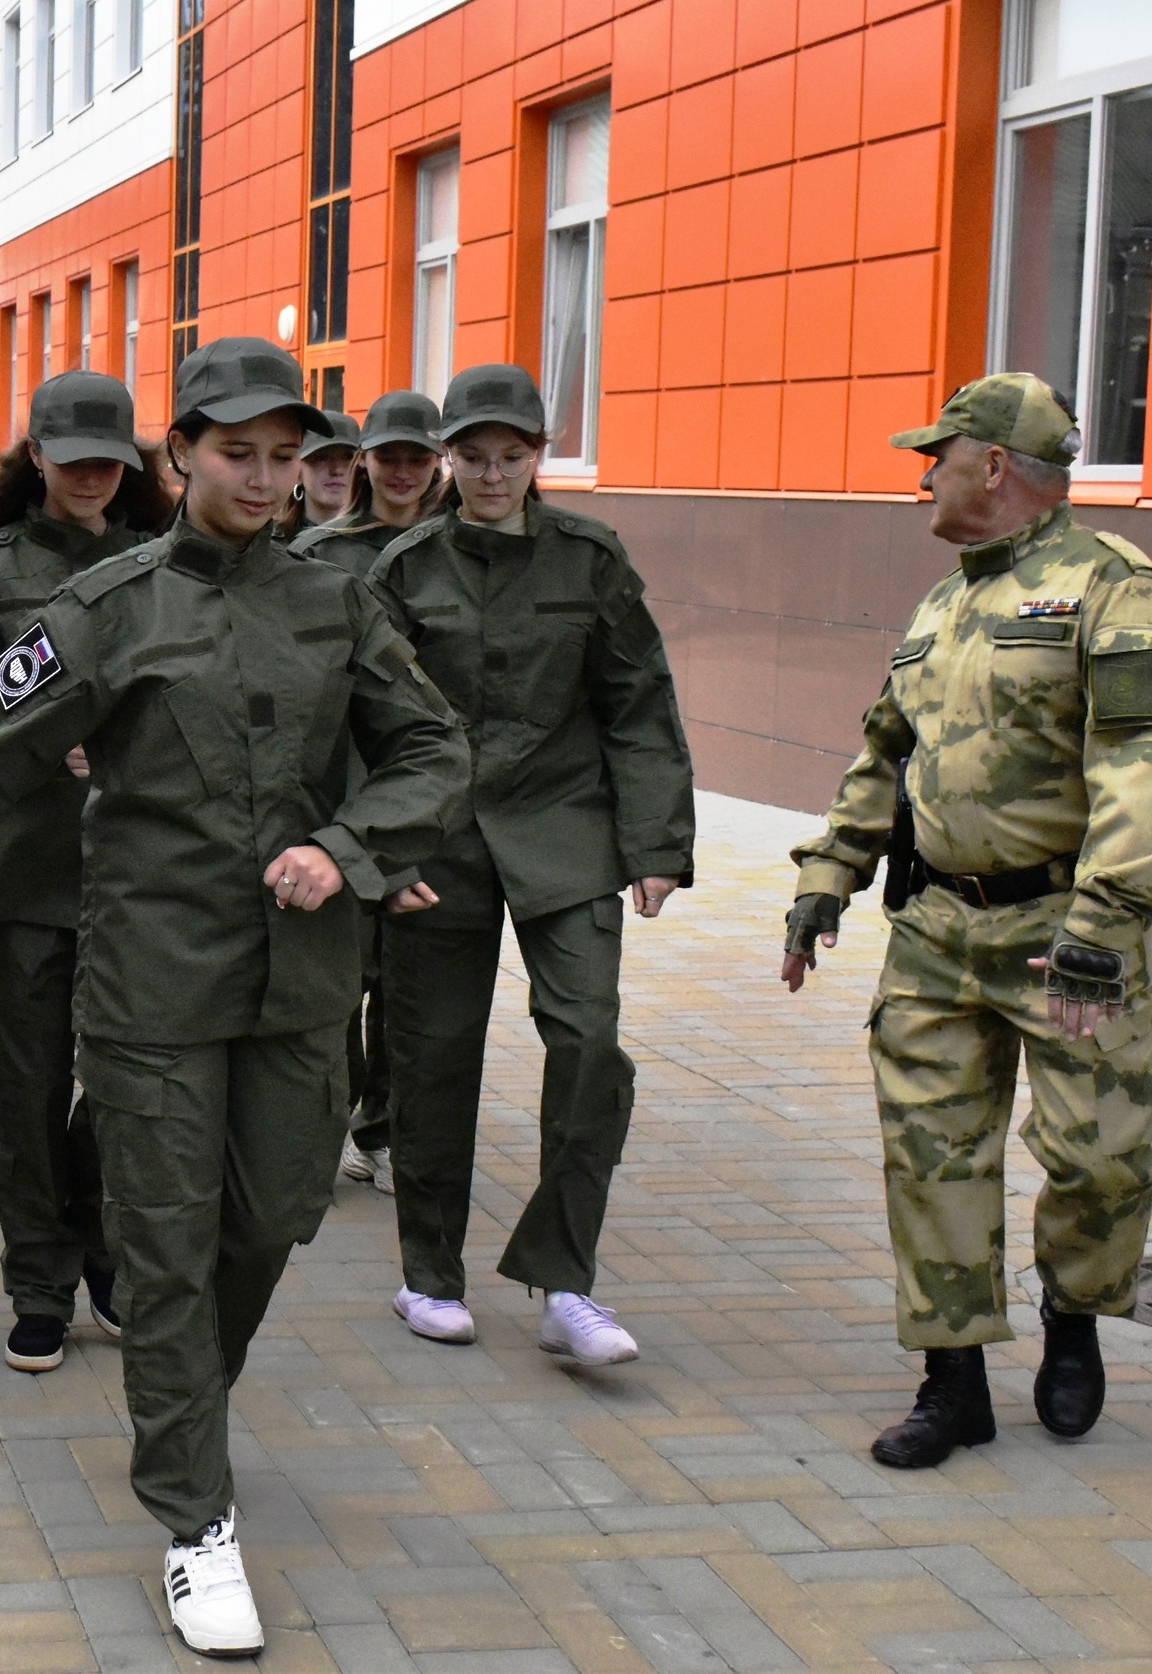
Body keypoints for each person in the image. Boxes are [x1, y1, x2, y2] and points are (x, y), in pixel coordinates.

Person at [0, 338, 467, 1657]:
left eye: (285, 456)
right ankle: (195, 1515)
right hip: (151, 989)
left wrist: (350, 851)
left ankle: (181, 1402)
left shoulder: (332, 604)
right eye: (236, 452)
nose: (262, 476)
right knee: (168, 1250)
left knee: (272, 1215)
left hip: (297, 987)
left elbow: (428, 745)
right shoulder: (110, 608)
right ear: (177, 456)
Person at [782, 374, 1152, 1469]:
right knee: (931, 1157)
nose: (924, 473)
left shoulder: (1115, 591)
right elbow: (886, 753)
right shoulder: (942, 605)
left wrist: (1105, 928)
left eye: (940, 454)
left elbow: (1150, 772)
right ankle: (953, 1381)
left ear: (995, 466)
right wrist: (827, 875)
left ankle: (1074, 1319)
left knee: (1100, 1157)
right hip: (935, 931)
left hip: (1064, 931)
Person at [366, 364, 692, 1362]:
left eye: (512, 456)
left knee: (590, 1043)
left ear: (539, 457)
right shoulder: (406, 569)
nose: (493, 473)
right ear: (448, 459)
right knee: (431, 1059)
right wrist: (383, 852)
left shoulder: (591, 559)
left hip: (567, 832)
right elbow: (363, 718)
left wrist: (657, 843)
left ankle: (564, 1281)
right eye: (474, 456)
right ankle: (429, 1275)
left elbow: (638, 701)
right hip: (442, 842)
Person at [0, 370, 173, 1375]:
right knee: (25, 1095)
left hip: (143, 876)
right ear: (36, 458)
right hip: (16, 875)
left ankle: (104, 1250)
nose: (89, 475)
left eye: (107, 459)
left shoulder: (169, 565)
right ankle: (38, 1280)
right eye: (70, 457)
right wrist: (41, 743)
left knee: (127, 1088)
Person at [293, 389, 452, 1198]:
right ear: (366, 463)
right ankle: (334, 1116)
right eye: (386, 456)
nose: (399, 471)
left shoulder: (459, 548)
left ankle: (386, 1127)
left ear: (436, 463)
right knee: (343, 971)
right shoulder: (322, 553)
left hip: (430, 795)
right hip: (345, 790)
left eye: (415, 457)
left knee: (408, 980)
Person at [292, 409, 361, 529]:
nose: (337, 470)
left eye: (348, 457)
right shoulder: (270, 543)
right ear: (297, 473)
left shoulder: (386, 542)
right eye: (321, 458)